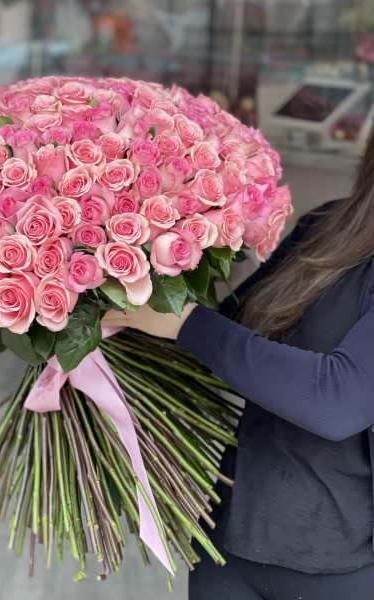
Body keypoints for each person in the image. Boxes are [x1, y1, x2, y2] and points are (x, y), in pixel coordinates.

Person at [102, 130, 374, 599]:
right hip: (232, 540)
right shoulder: (329, 225)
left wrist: (187, 324)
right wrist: (100, 296)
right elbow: (229, 331)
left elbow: (339, 401)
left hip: (344, 566)